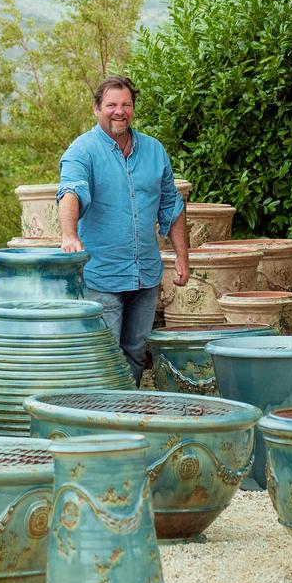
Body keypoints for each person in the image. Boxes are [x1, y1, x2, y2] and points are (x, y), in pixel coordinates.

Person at [57, 74, 189, 384]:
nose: (119, 111)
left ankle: (125, 411)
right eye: (111, 105)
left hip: (145, 273)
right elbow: (70, 191)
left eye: (126, 104)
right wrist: (69, 235)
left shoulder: (154, 151)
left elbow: (171, 204)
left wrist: (182, 256)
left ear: (133, 108)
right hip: (102, 275)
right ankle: (101, 419)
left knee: (135, 352)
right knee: (103, 354)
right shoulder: (82, 150)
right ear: (96, 109)